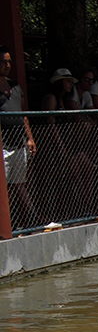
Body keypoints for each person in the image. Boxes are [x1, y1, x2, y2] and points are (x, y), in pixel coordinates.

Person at [1, 44, 39, 225]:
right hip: (3, 144)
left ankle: (31, 219)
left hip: (18, 142)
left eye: (8, 62)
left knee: (19, 184)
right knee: (3, 187)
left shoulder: (15, 86)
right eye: (2, 62)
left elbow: (23, 113)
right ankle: (7, 223)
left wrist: (30, 138)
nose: (6, 65)